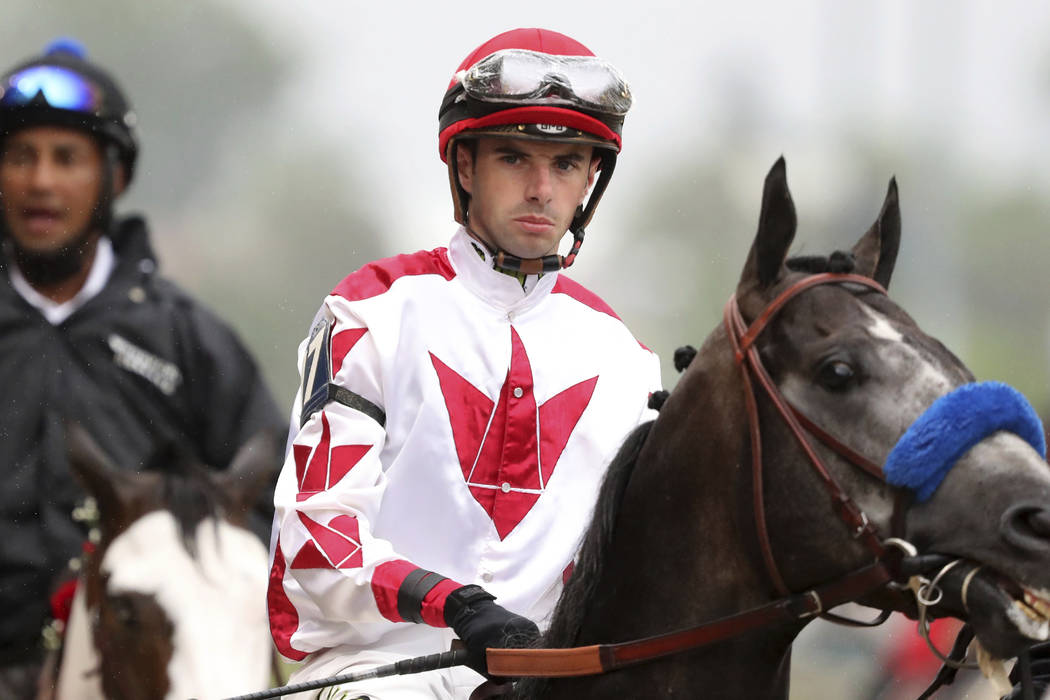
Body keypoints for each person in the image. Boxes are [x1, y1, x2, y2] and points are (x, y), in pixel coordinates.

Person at [267, 27, 661, 699]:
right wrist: (455, 604)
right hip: (376, 674)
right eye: (514, 157)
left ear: (591, 178)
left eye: (566, 164)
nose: (541, 188)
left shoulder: (628, 363)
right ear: (465, 167)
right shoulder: (370, 312)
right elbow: (316, 546)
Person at [0, 40, 284, 698]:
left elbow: (270, 512)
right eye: (19, 157)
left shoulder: (190, 340)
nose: (40, 181)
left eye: (66, 158)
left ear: (115, 177)